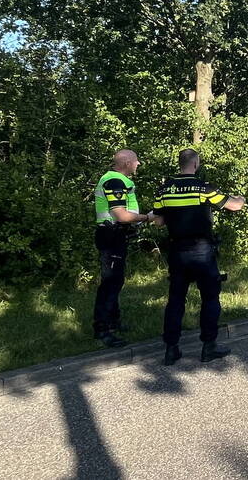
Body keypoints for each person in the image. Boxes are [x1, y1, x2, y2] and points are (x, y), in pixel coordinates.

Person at [151, 149, 246, 365]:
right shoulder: (204, 188)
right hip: (202, 251)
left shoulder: (164, 190)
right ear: (195, 164)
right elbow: (233, 205)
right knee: (210, 299)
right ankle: (208, 347)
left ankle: (171, 349)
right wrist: (241, 198)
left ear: (180, 164)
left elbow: (158, 221)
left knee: (175, 300)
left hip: (177, 252)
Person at [93, 149, 155, 348]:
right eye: (136, 161)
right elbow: (120, 215)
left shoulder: (119, 181)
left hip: (116, 235)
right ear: (127, 162)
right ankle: (103, 329)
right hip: (111, 235)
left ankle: (113, 321)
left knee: (116, 280)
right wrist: (147, 217)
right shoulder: (115, 181)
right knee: (110, 282)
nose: (138, 164)